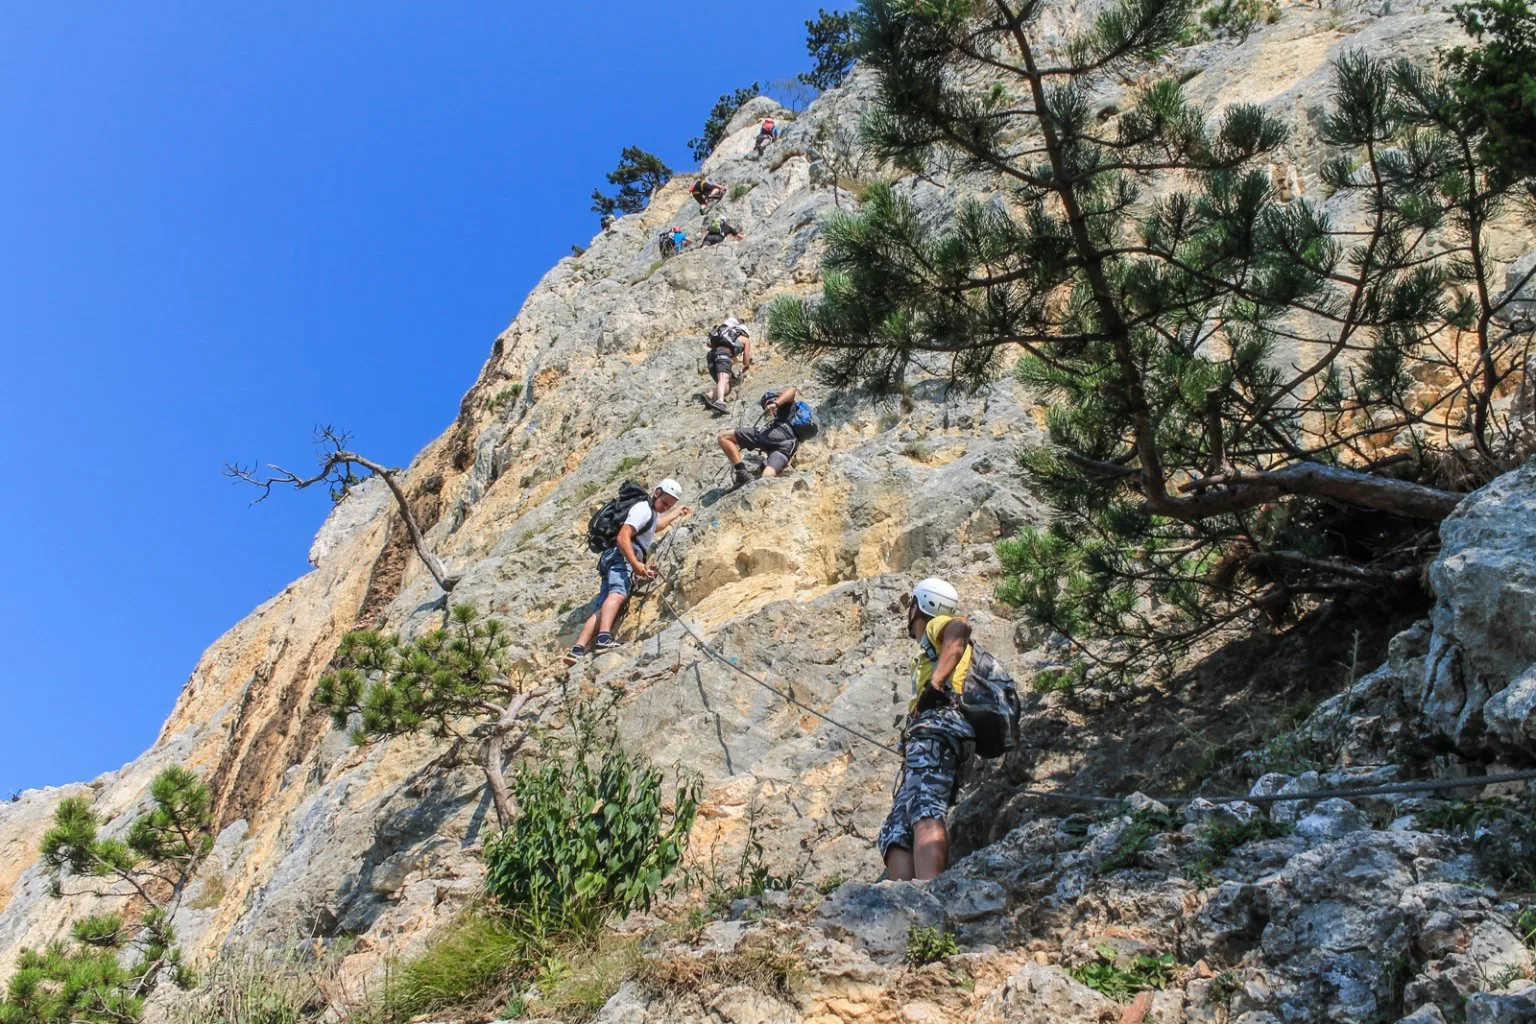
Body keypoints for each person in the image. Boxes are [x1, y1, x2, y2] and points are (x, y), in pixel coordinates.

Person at [879, 577, 977, 882]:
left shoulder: (937, 625)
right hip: (926, 735)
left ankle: (928, 892)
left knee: (925, 807)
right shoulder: (928, 647)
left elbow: (960, 627)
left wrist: (934, 686)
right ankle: (904, 896)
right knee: (895, 829)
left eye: (912, 604)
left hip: (938, 727)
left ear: (920, 605)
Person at [564, 479, 690, 663]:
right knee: (618, 594)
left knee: (604, 605)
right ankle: (604, 638)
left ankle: (577, 649)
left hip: (613, 557)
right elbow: (623, 537)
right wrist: (636, 564)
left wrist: (676, 513)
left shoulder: (650, 512)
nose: (665, 508)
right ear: (657, 493)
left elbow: (654, 527)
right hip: (621, 557)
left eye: (669, 506)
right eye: (664, 503)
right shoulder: (643, 509)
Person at [718, 387, 799, 487]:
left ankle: (742, 473)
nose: (768, 409)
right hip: (785, 447)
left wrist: (776, 403)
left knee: (723, 437)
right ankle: (747, 477)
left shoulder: (788, 406)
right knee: (766, 477)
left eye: (768, 403)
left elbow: (792, 390)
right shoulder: (784, 418)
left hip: (778, 439)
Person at [702, 319, 751, 413]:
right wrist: (747, 365)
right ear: (745, 333)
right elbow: (746, 357)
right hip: (722, 355)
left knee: (727, 388)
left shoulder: (728, 338)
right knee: (723, 379)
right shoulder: (745, 339)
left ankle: (710, 395)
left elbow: (732, 359)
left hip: (711, 356)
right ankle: (720, 401)